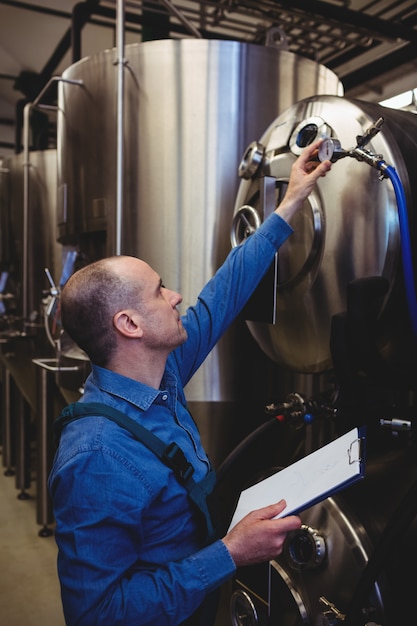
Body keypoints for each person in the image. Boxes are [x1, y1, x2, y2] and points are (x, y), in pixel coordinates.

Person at [48, 139, 332, 626]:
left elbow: (221, 296)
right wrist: (230, 554)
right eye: (160, 291)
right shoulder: (96, 456)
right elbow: (97, 615)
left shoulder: (164, 370)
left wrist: (292, 201)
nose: (176, 296)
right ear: (129, 326)